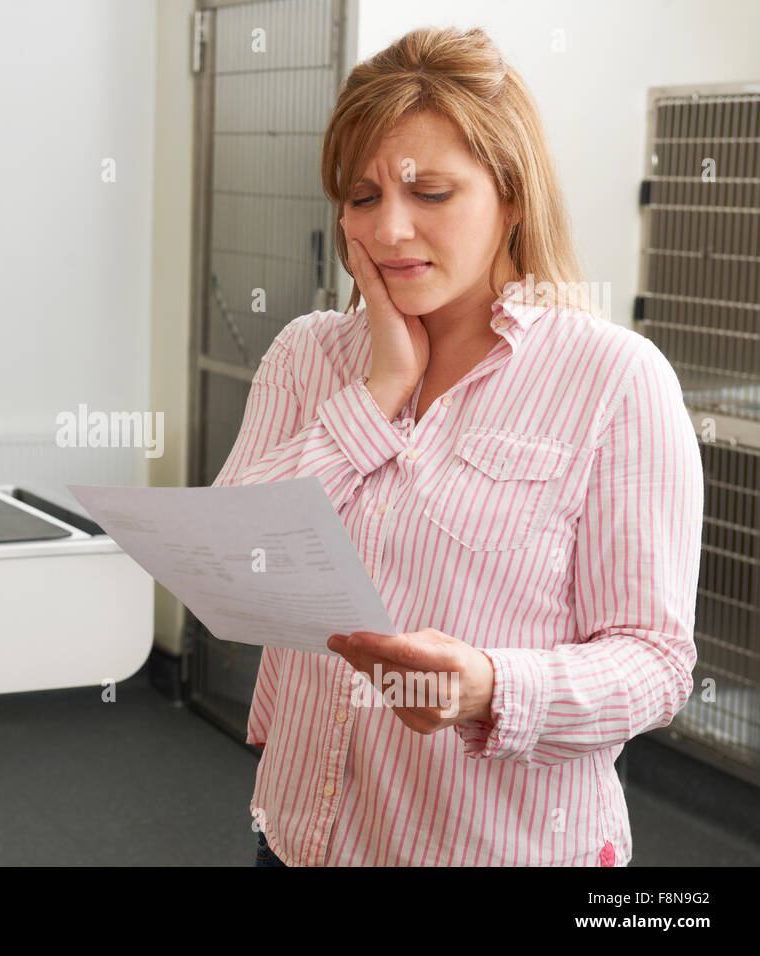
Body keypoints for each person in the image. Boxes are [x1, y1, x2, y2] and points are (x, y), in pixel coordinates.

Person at [219, 25, 703, 866]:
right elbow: (230, 562)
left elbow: (654, 663)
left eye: (431, 193)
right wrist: (377, 392)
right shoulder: (309, 353)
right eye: (364, 197)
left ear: (512, 196)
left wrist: (488, 686)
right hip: (301, 839)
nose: (392, 229)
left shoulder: (615, 378)